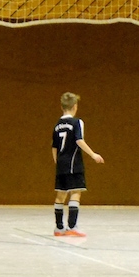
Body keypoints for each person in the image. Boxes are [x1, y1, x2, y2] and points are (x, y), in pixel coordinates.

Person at [52, 93, 104, 236]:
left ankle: (59, 228)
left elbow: (54, 147)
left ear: (61, 106)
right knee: (76, 192)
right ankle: (72, 226)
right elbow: (79, 140)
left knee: (60, 195)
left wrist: (58, 162)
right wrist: (93, 154)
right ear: (75, 106)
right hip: (73, 163)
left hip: (61, 164)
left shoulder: (57, 125)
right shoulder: (77, 122)